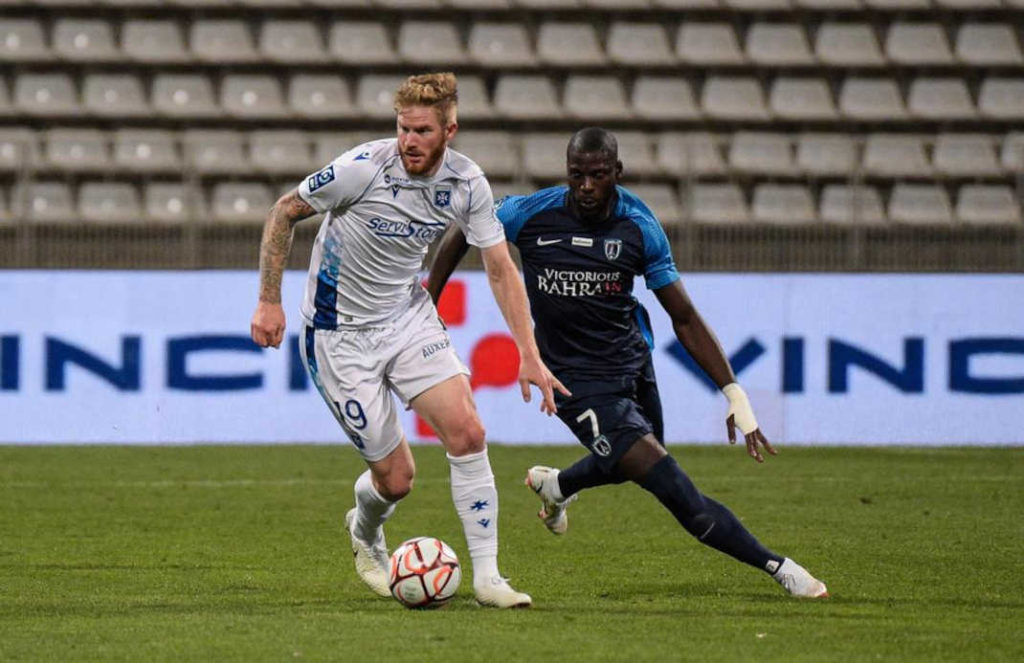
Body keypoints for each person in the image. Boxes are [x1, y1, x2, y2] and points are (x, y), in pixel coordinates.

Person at [426, 127, 828, 598]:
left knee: (628, 460)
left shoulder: (639, 226)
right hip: (572, 380)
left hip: (632, 366)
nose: (587, 186)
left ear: (617, 172)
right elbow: (465, 227)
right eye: (577, 175)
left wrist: (732, 391)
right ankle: (779, 568)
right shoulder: (531, 214)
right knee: (673, 487)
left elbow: (684, 316)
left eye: (598, 175)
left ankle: (558, 485)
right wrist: (430, 296)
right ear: (567, 173)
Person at [250, 72, 567, 608]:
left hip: (407, 318)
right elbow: (284, 211)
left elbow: (499, 268)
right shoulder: (361, 170)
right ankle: (365, 529)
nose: (410, 141)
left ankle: (488, 577)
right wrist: (268, 300)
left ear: (450, 130)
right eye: (404, 128)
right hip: (339, 335)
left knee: (467, 431)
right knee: (397, 480)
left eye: (422, 130)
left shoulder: (468, 184)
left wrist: (529, 354)